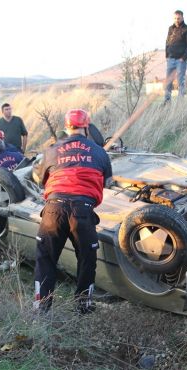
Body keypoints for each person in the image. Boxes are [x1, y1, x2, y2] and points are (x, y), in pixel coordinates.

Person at [33, 109, 112, 314]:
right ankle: (83, 307)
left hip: (53, 210)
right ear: (87, 127)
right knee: (87, 260)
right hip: (83, 211)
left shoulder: (52, 150)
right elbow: (108, 182)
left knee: (46, 259)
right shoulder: (99, 152)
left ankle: (41, 309)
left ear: (67, 127)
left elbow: (42, 181)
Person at [164, 10, 187, 102]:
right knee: (168, 81)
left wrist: (183, 58)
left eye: (178, 18)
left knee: (181, 81)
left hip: (180, 60)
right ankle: (167, 101)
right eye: (175, 18)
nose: (177, 20)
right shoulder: (171, 28)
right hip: (170, 59)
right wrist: (167, 55)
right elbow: (167, 42)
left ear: (182, 18)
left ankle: (180, 102)